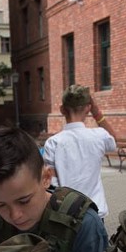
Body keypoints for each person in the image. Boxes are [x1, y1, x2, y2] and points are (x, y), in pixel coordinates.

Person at [43, 85, 116, 218]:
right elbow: (114, 140)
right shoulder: (99, 136)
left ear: (62, 110)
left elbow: (52, 183)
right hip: (95, 211)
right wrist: (97, 113)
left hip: (66, 214)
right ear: (88, 108)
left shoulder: (53, 143)